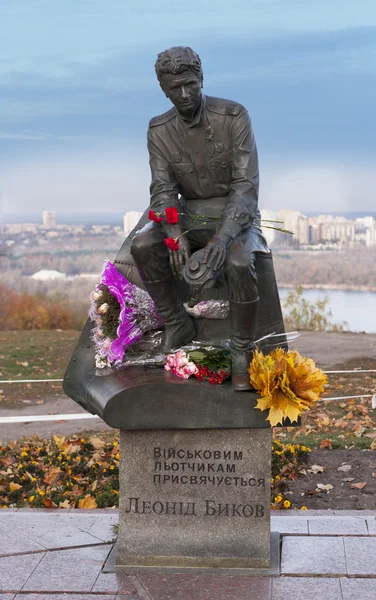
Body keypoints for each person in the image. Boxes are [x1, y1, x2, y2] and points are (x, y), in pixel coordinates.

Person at [131, 46, 269, 391]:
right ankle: (177, 323)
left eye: (190, 84)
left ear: (201, 79)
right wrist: (174, 231)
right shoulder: (158, 129)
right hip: (189, 215)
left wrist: (222, 240)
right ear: (163, 89)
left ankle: (241, 350)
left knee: (238, 262)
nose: (184, 94)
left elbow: (245, 186)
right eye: (174, 88)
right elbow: (162, 190)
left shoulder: (234, 116)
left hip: (235, 217)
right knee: (143, 245)